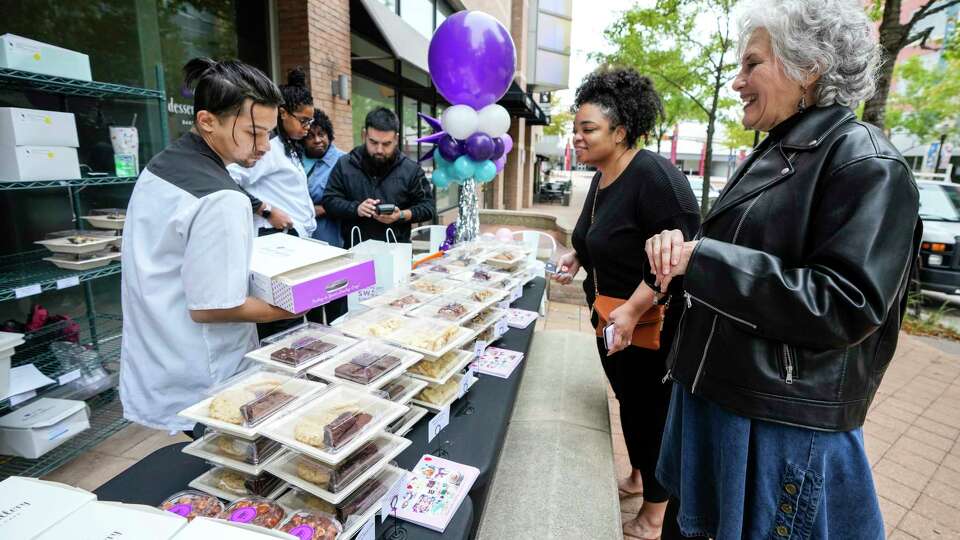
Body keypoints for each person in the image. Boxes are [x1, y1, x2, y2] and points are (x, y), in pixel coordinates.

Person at [641, 1, 922, 538]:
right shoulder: (779, 149)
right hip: (720, 406)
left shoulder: (865, 162)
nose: (737, 81)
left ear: (808, 66)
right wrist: (688, 258)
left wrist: (704, 259)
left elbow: (843, 304)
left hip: (775, 428)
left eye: (752, 64)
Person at [553, 67, 701, 540]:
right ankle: (640, 475)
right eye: (576, 128)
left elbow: (681, 252)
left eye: (587, 128)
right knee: (629, 404)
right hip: (610, 322)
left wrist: (636, 307)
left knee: (650, 412)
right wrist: (580, 253)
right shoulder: (602, 176)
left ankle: (655, 513)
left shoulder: (656, 177)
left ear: (620, 132)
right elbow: (604, 235)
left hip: (649, 327)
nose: (577, 137)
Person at [120, 58, 297, 433]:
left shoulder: (161, 166)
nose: (264, 146)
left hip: (161, 355)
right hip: (205, 373)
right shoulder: (220, 198)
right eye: (253, 133)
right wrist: (292, 307)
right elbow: (215, 307)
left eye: (269, 133)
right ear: (206, 121)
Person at [322, 107, 436, 245]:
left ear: (396, 139)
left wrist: (400, 215)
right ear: (364, 135)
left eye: (386, 144)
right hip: (354, 251)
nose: (379, 150)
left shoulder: (411, 170)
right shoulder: (345, 164)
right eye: (373, 142)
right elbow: (329, 201)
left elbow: (428, 207)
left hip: (397, 253)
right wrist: (356, 209)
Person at [230, 67, 316, 239]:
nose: (308, 126)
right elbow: (228, 179)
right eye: (303, 120)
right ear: (283, 113)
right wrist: (266, 211)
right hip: (275, 235)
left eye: (310, 121)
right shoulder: (267, 147)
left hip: (293, 236)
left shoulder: (289, 146)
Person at [302, 109, 345, 247]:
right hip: (299, 235)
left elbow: (353, 198)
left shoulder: (343, 161)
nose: (317, 140)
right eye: (310, 136)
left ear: (329, 135)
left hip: (329, 235)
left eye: (321, 134)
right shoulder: (295, 159)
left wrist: (322, 209)